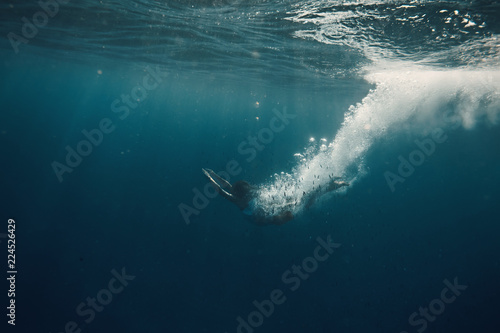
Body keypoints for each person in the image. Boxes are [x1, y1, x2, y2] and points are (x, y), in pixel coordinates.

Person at [202, 168, 349, 226]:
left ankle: (330, 184)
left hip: (271, 214)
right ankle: (329, 183)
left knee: (303, 200)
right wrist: (212, 176)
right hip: (271, 208)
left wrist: (211, 178)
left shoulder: (239, 200)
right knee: (303, 198)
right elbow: (226, 187)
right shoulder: (242, 197)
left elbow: (223, 190)